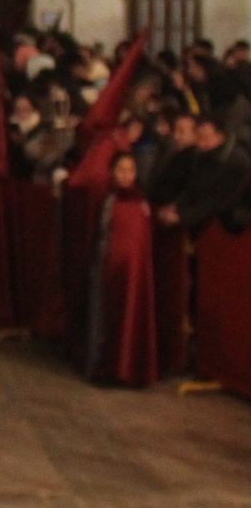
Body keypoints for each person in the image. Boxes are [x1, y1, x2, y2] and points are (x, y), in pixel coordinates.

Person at [86, 149, 159, 386]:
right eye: (122, 170)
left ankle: (131, 368)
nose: (127, 176)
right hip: (108, 270)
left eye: (131, 170)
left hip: (134, 273)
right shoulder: (107, 200)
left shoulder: (141, 202)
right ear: (112, 173)